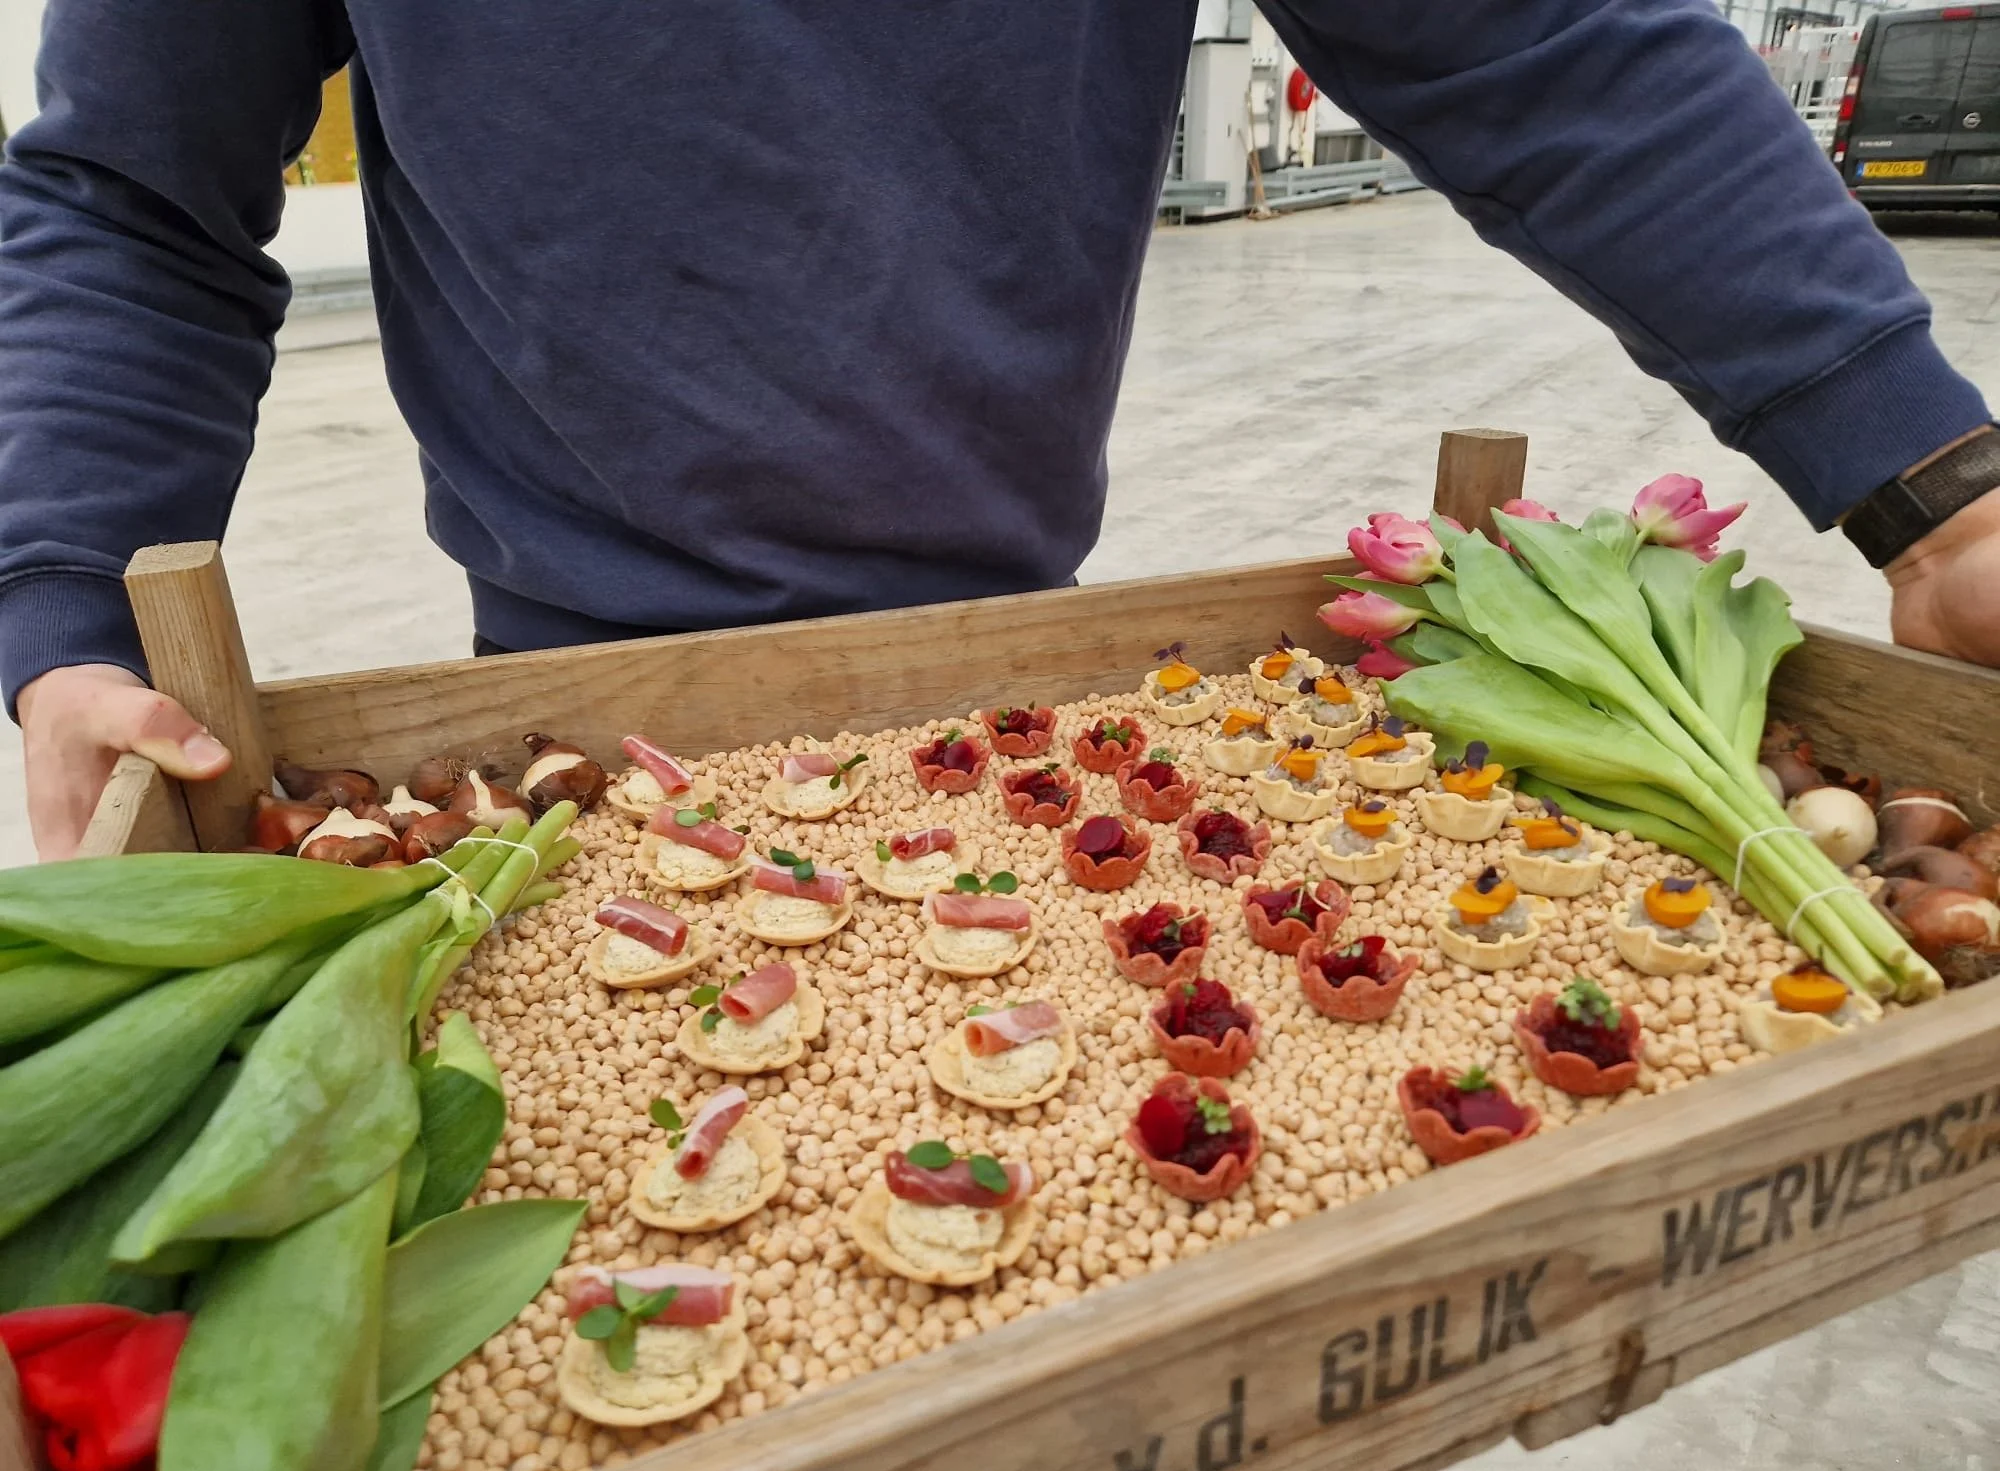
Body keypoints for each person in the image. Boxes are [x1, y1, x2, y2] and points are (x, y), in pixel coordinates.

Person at [2, 0, 1996, 860]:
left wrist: (1925, 471)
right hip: (577, 688)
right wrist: (62, 612)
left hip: (1021, 669)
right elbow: (129, 197)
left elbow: (1536, 48)